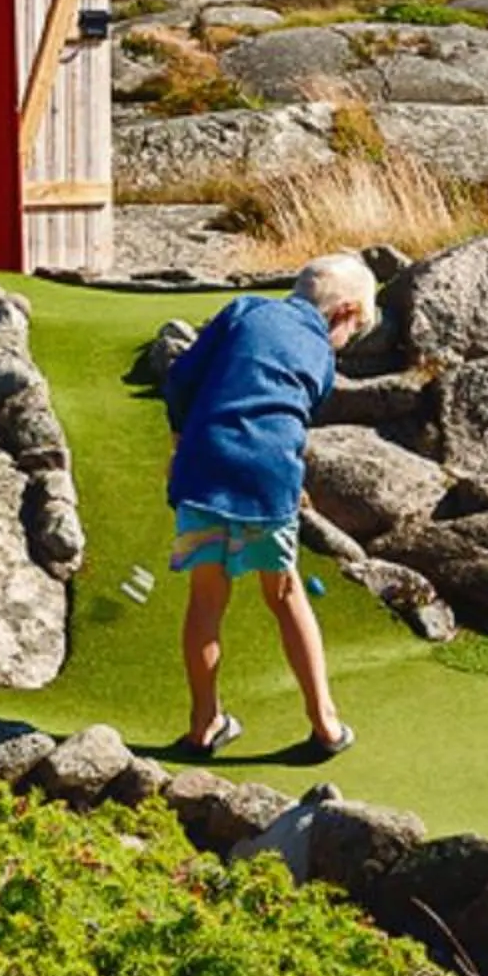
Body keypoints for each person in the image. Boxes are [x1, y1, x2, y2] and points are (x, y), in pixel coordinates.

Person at [161, 252, 374, 761]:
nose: (349, 341)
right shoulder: (321, 355)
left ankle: (204, 725)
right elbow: (286, 419)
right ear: (343, 312)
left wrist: (180, 442)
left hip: (204, 468)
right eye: (356, 330)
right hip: (268, 477)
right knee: (284, 593)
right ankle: (325, 723)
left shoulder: (246, 310)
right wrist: (290, 482)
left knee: (206, 597)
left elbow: (181, 379)